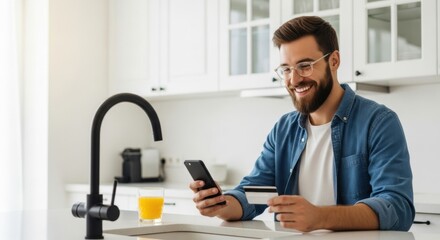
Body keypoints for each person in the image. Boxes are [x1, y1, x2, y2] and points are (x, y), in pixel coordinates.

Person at [189, 16, 414, 232]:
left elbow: (397, 207)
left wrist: (321, 217)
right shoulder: (283, 130)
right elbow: (256, 193)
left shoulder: (378, 122)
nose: (294, 80)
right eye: (286, 69)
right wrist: (220, 205)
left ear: (333, 61)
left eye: (305, 66)